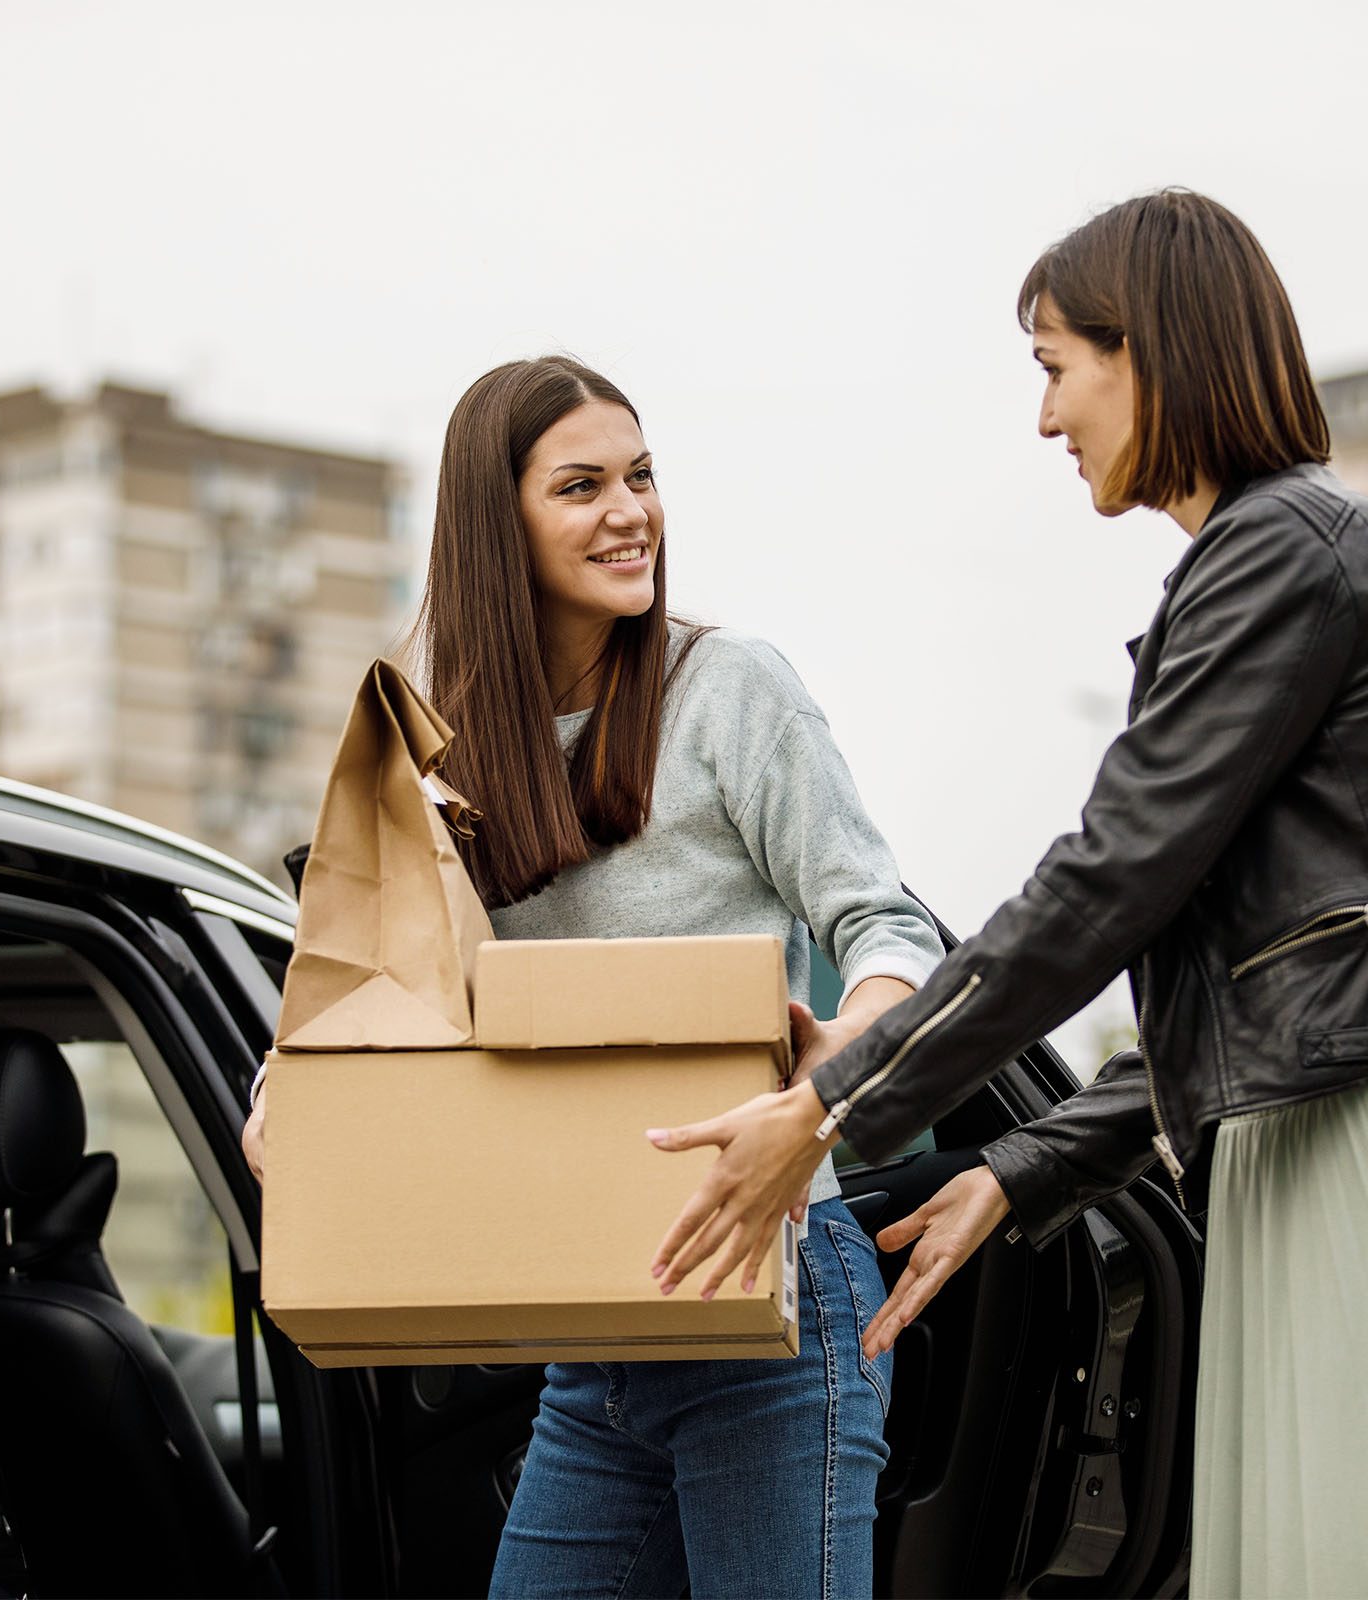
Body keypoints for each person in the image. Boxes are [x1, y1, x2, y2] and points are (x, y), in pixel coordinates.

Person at [645, 191, 1368, 1599]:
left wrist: (834, 1104)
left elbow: (1104, 881)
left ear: (1155, 354)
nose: (1047, 420)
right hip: (1328, 1143)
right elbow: (1258, 988)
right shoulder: (1282, 561)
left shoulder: (1279, 556)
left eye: (1056, 367)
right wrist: (1015, 1171)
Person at [243, 356, 940, 1598]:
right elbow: (387, 977)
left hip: (771, 1289)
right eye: (581, 486)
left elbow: (890, 923)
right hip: (596, 1322)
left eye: (642, 476)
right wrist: (287, 1085)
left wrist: (855, 1048)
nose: (632, 513)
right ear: (492, 522)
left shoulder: (728, 690)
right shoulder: (434, 735)